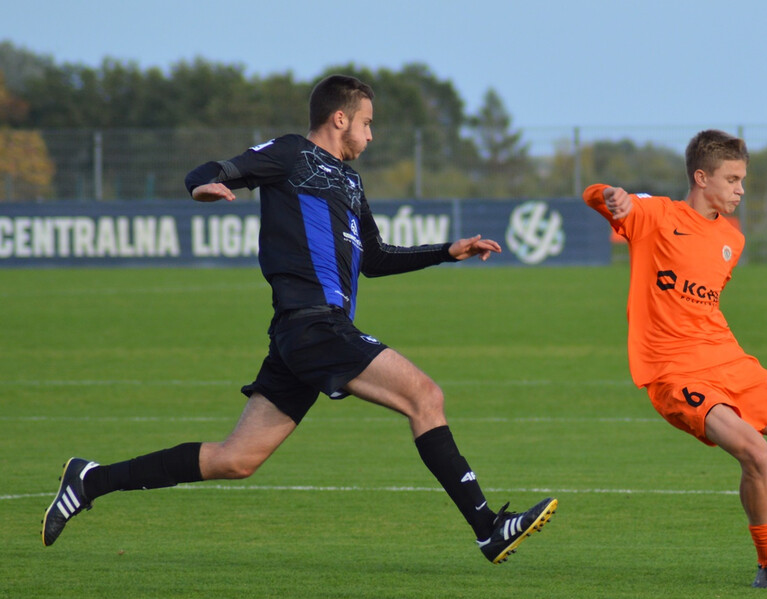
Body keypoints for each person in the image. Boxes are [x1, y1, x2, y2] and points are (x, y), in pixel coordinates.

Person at [43, 74, 556, 563]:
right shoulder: (292, 154)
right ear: (339, 119)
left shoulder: (351, 184)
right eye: (367, 123)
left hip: (306, 334)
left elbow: (373, 260)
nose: (371, 135)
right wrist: (205, 187)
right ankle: (488, 527)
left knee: (235, 459)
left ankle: (90, 480)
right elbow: (211, 170)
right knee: (426, 397)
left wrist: (447, 251)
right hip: (313, 326)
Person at [582, 129, 767, 588]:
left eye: (742, 179)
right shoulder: (654, 215)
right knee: (756, 452)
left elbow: (703, 302)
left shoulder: (733, 240)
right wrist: (610, 196)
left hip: (731, 363)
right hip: (673, 374)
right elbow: (598, 197)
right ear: (701, 177)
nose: (740, 189)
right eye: (732, 179)